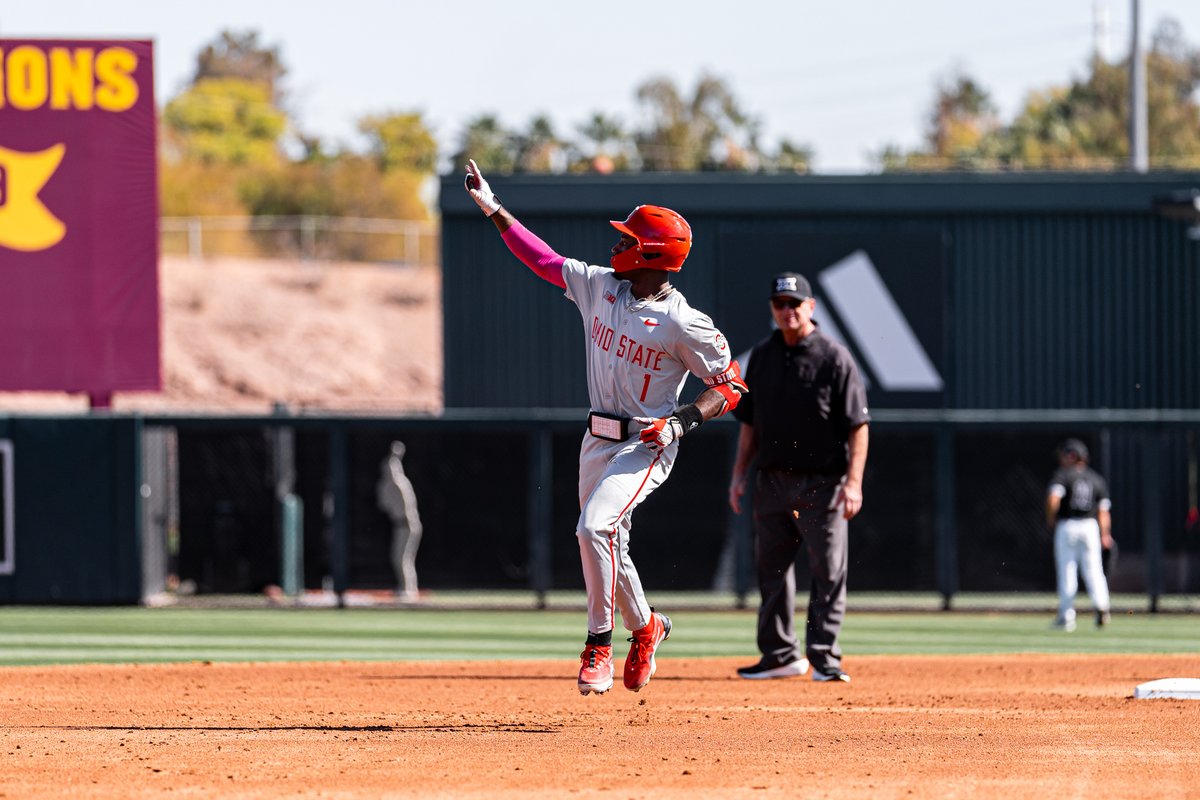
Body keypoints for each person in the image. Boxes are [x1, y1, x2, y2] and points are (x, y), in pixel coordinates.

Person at [464, 159, 748, 695]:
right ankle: (647, 627)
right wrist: (491, 206)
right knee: (607, 547)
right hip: (596, 439)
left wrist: (681, 423)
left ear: (651, 254)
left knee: (593, 529)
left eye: (628, 238)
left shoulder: (684, 323)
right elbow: (543, 259)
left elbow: (730, 387)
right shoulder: (600, 287)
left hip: (646, 443)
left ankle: (599, 643)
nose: (617, 244)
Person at [728, 273, 870, 683]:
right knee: (770, 571)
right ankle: (779, 655)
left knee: (828, 571)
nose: (786, 311)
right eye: (779, 303)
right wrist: (739, 475)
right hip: (772, 479)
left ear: (811, 307)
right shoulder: (764, 355)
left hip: (822, 482)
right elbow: (749, 423)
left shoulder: (833, 357)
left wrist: (854, 481)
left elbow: (858, 425)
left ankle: (824, 658)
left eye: (794, 303)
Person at [1046, 438, 1113, 631]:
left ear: (1071, 456)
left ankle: (1066, 616)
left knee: (1067, 570)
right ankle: (1102, 607)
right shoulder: (1096, 479)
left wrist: (1051, 518)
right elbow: (1103, 512)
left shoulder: (1063, 476)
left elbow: (1053, 499)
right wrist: (1105, 534)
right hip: (1090, 527)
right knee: (1094, 570)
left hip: (1067, 525)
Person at [376, 441, 423, 602]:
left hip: (408, 525)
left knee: (403, 558)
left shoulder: (401, 483)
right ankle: (405, 588)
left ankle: (409, 590)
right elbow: (384, 506)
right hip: (400, 525)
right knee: (398, 558)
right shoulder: (387, 486)